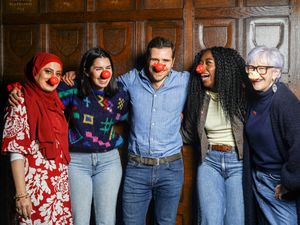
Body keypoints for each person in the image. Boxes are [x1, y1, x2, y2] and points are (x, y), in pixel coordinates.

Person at [7, 47, 129, 225]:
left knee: (107, 221)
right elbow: (40, 92)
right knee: (79, 221)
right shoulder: (71, 89)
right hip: (77, 162)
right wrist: (15, 89)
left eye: (108, 67)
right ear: (86, 71)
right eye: (98, 68)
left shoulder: (121, 93)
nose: (105, 73)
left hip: (109, 161)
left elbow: (130, 115)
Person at [119, 37, 190, 225]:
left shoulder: (184, 81)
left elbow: (215, 82)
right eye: (155, 60)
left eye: (165, 60)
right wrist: (74, 77)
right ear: (147, 61)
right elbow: (101, 84)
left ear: (173, 62)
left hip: (171, 168)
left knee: (165, 222)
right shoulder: (131, 79)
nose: (160, 65)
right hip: (137, 169)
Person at [181, 47, 252, 225]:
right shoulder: (198, 97)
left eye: (208, 63)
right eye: (200, 63)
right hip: (209, 163)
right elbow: (188, 135)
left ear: (223, 67)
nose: (201, 68)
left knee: (236, 220)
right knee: (209, 220)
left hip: (238, 162)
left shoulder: (241, 96)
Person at [1, 52, 73, 224]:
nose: (53, 78)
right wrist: (21, 194)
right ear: (35, 72)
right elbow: (16, 152)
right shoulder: (20, 101)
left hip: (57, 185)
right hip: (33, 186)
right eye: (48, 71)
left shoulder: (56, 102)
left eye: (57, 74)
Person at [244, 46, 300, 225]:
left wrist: (289, 184)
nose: (255, 74)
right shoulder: (255, 96)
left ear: (276, 73)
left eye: (262, 69)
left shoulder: (284, 101)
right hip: (257, 177)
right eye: (251, 68)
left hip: (277, 181)